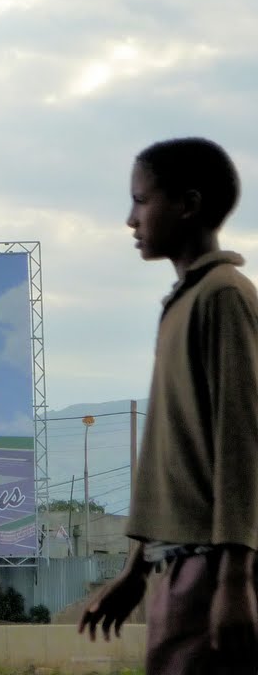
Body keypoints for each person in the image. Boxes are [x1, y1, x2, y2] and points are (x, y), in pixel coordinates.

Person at [79, 137, 258, 673]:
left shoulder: (224, 296)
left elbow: (241, 444)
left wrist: (234, 582)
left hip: (210, 572)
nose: (131, 219)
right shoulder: (182, 302)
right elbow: (170, 458)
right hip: (177, 569)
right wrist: (135, 572)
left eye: (141, 200)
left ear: (188, 204)